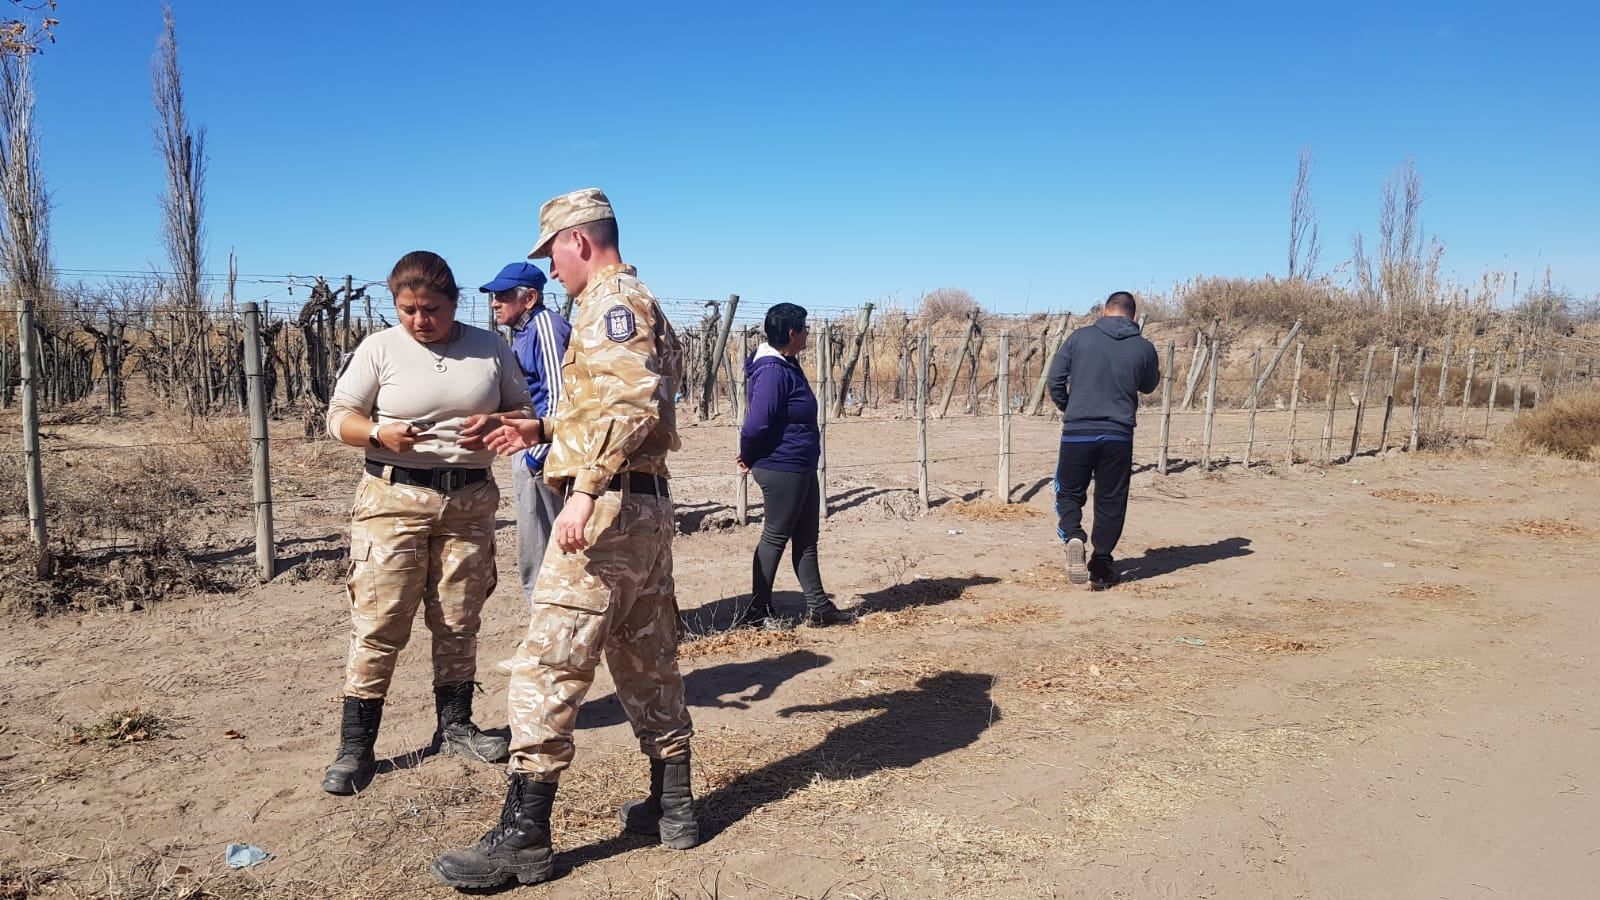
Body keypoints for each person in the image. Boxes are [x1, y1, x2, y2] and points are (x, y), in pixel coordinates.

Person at [433, 188, 695, 890]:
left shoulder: (610, 304)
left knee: (548, 665)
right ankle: (675, 806)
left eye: (552, 253)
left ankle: (525, 837)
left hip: (606, 513)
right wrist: (541, 431)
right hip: (641, 507)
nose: (551, 269)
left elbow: (631, 406)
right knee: (646, 656)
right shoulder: (635, 301)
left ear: (579, 241)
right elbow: (619, 407)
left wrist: (581, 491)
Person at [320, 250, 534, 795]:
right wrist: (376, 435)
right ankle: (357, 746)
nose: (419, 320)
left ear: (454, 303)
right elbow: (338, 417)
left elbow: (526, 413)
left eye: (431, 309)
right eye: (408, 309)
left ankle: (455, 725)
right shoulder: (380, 349)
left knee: (460, 618)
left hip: (468, 503)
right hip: (393, 498)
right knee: (380, 620)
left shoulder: (489, 347)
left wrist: (496, 421)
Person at [734, 303, 853, 629]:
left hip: (798, 464)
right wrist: (748, 453)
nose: (808, 334)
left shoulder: (787, 364)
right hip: (782, 466)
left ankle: (819, 607)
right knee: (775, 536)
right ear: (792, 333)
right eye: (805, 329)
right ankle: (757, 613)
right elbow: (756, 424)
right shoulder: (773, 371)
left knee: (806, 537)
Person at [1046, 290, 1160, 590]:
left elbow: (1054, 379)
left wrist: (1069, 407)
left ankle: (1073, 535)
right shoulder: (1144, 347)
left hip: (1077, 432)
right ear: (1133, 316)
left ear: (1105, 310)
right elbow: (1149, 386)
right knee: (1111, 500)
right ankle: (1101, 564)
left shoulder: (1079, 338)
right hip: (1118, 434)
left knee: (1068, 492)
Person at [481, 262, 571, 610]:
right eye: (494, 296)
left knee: (541, 544)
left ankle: (546, 628)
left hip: (542, 450)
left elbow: (560, 394)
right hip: (530, 446)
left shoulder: (545, 327)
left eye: (503, 295)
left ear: (530, 297)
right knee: (534, 543)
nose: (494, 303)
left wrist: (538, 454)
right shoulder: (524, 331)